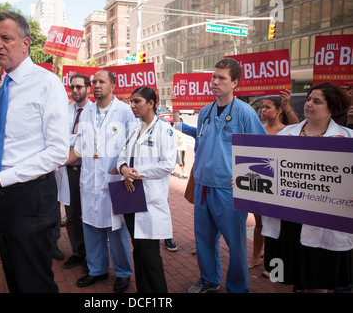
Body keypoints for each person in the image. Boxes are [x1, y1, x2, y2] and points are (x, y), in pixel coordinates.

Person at [0, 11, 69, 293]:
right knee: (15, 278)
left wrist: (3, 177)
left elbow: (58, 152)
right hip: (2, 196)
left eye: (6, 38)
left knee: (34, 282)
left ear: (25, 43)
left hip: (30, 196)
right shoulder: (4, 85)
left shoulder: (47, 84)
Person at [262, 82, 353, 293]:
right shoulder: (285, 135)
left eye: (317, 101)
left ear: (331, 108)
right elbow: (269, 171)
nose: (309, 104)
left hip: (323, 227)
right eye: (309, 99)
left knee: (317, 285)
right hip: (284, 227)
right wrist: (250, 183)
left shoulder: (347, 140)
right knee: (280, 280)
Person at [188, 58, 267, 293]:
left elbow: (261, 150)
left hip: (229, 189)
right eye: (214, 76)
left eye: (221, 78)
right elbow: (201, 144)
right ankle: (209, 279)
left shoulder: (245, 113)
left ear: (235, 83)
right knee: (203, 240)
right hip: (203, 186)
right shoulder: (205, 112)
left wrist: (248, 175)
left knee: (236, 245)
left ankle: (238, 287)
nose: (215, 82)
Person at [64, 70, 135, 292]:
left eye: (101, 82)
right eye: (93, 82)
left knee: (117, 230)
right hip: (90, 180)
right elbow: (80, 147)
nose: (96, 85)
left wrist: (122, 170)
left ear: (112, 85)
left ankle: (123, 273)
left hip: (115, 180)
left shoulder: (124, 111)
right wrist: (56, 162)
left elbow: (132, 146)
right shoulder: (86, 113)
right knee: (91, 228)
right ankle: (97, 270)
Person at [116, 86, 176, 293]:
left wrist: (136, 172)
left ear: (151, 103)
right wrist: (123, 168)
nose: (132, 105)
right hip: (131, 197)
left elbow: (168, 165)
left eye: (137, 101)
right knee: (139, 251)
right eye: (131, 101)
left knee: (150, 257)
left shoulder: (165, 130)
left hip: (149, 199)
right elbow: (121, 155)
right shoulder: (134, 129)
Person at [249, 90, 299, 270]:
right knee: (260, 222)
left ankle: (276, 263)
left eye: (268, 107)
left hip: (280, 183)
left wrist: (287, 106)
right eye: (262, 107)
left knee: (276, 224)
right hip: (260, 180)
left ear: (278, 111)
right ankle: (256, 256)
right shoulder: (258, 128)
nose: (263, 110)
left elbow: (301, 130)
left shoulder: (287, 130)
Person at [61, 73, 92, 270]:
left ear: (88, 88)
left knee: (89, 215)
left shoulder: (94, 111)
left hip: (88, 170)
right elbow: (63, 139)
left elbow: (85, 143)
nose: (75, 91)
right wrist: (75, 141)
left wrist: (74, 142)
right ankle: (77, 252)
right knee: (71, 215)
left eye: (79, 87)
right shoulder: (65, 111)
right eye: (72, 87)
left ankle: (92, 257)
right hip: (68, 171)